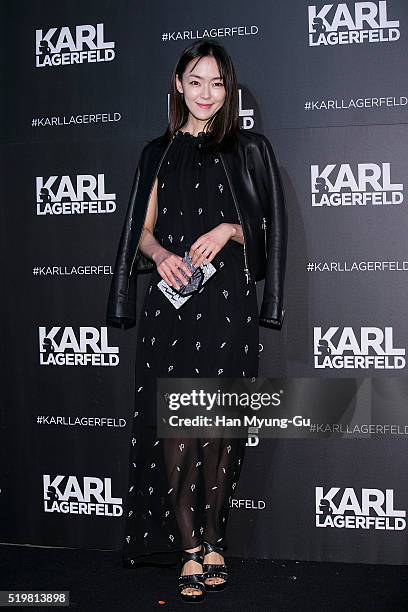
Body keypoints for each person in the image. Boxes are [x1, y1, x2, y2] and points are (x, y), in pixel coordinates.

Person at [107, 39, 287, 603]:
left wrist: (228, 230)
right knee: (177, 426)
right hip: (173, 303)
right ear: (178, 84)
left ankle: (215, 540)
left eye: (217, 83)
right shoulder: (155, 153)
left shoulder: (249, 149)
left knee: (219, 426)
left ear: (227, 89)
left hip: (227, 303)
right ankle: (188, 547)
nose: (206, 94)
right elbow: (141, 229)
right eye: (196, 81)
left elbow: (267, 231)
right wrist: (159, 255)